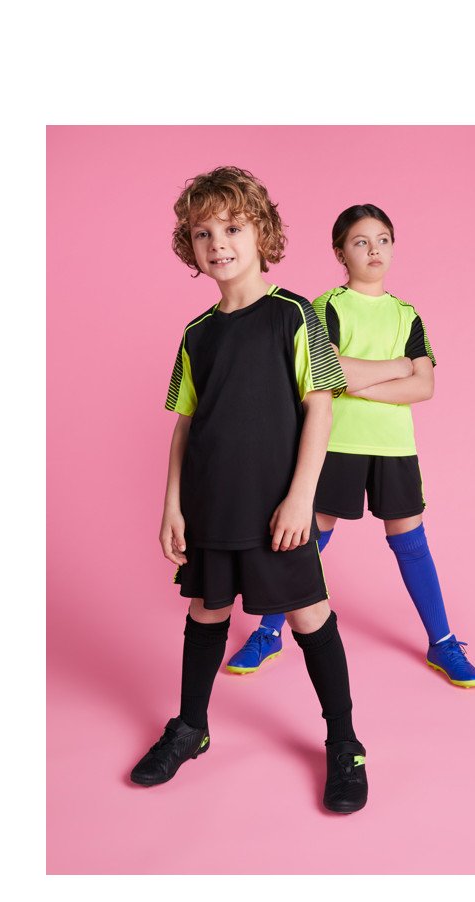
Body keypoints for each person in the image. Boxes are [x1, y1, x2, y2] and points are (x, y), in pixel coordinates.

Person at [130, 167, 369, 814]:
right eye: (202, 233)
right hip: (211, 503)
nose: (218, 243)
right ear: (190, 246)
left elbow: (320, 407)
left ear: (261, 232)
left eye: (232, 228)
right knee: (205, 612)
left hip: (275, 508)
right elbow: (186, 424)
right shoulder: (196, 334)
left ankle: (345, 743)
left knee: (309, 615)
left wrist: (300, 497)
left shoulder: (295, 314)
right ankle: (191, 727)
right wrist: (172, 505)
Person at [227, 204, 475, 688]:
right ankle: (268, 632)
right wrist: (397, 368)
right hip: (335, 443)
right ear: (340, 252)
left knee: (411, 543)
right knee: (306, 539)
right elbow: (333, 371)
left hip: (393, 447)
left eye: (383, 240)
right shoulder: (326, 307)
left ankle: (443, 642)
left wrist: (358, 381)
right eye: (361, 241)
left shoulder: (407, 314)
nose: (374, 250)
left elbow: (424, 386)